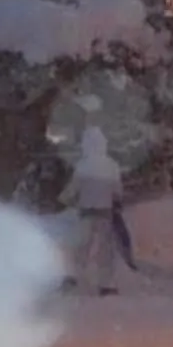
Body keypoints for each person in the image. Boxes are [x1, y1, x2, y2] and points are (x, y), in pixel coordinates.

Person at [60, 126, 128, 297]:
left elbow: (72, 190)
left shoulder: (83, 166)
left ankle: (73, 276)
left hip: (86, 212)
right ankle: (106, 284)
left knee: (81, 247)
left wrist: (63, 199)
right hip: (105, 213)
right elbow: (118, 191)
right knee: (105, 251)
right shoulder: (112, 165)